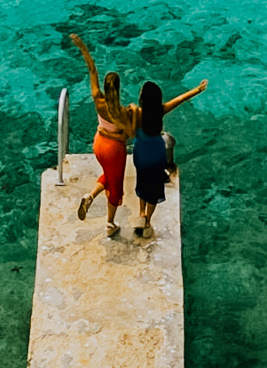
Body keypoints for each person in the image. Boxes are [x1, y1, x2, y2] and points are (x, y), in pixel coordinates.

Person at [71, 32, 138, 236]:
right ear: (118, 89)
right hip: (113, 150)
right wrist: (135, 111)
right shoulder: (123, 112)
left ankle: (90, 196)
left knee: (108, 175)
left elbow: (92, 69)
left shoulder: (97, 100)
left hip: (98, 143)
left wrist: (82, 47)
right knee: (116, 187)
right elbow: (130, 135)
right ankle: (109, 224)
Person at [132, 76, 207, 239]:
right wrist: (197, 89)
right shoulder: (161, 110)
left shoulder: (137, 114)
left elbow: (123, 122)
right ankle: (147, 222)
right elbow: (180, 99)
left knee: (142, 182)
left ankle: (141, 213)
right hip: (156, 154)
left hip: (140, 154)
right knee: (153, 189)